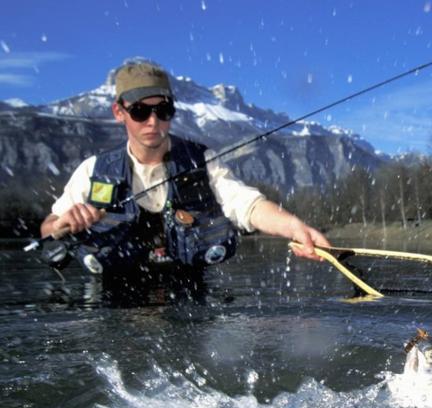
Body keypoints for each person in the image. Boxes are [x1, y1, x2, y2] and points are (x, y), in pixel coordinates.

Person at [40, 61, 330, 277]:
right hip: (113, 302)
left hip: (191, 296)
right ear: (120, 112)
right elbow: (47, 227)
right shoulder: (92, 170)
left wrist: (295, 227)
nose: (153, 121)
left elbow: (246, 204)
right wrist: (60, 225)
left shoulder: (201, 160)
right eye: (140, 111)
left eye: (163, 110)